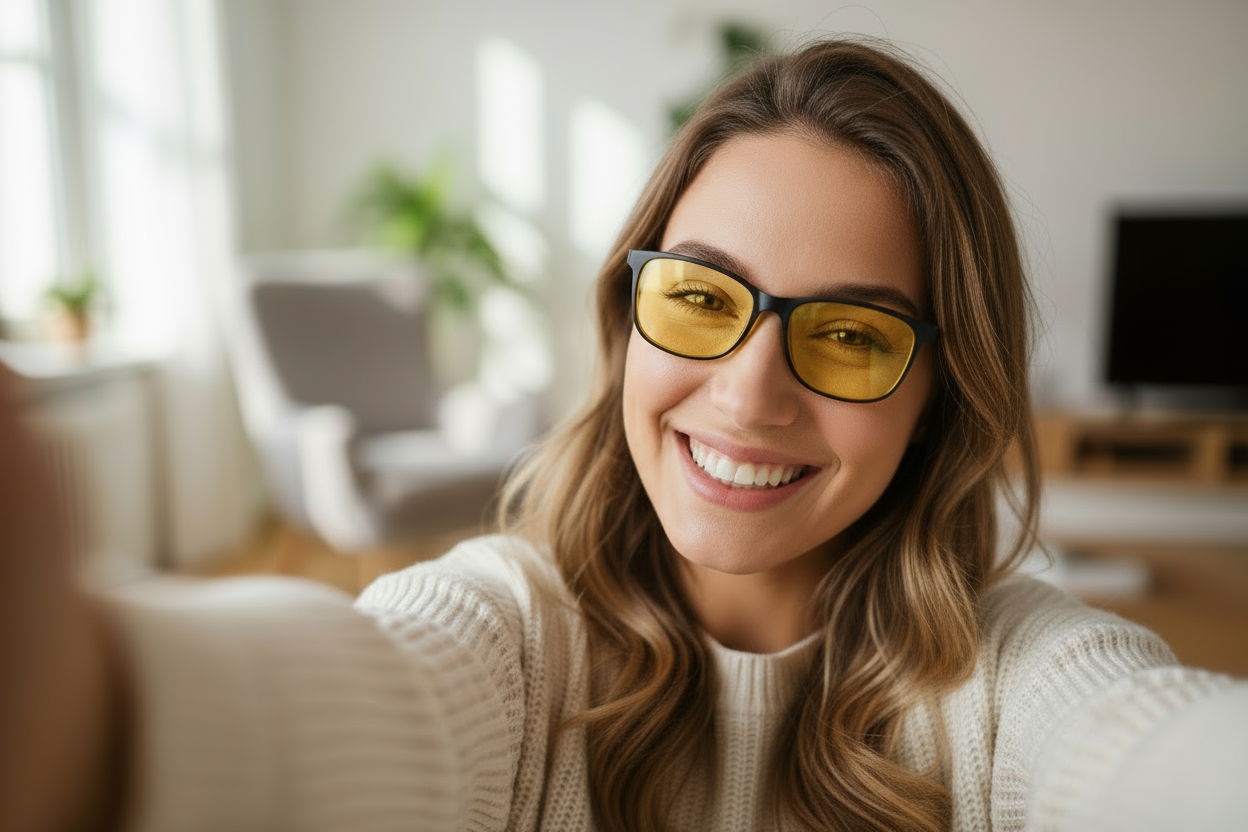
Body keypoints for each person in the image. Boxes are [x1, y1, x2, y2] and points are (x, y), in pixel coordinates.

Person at [2, 36, 1246, 832]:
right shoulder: (514, 633)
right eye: (701, 298)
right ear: (627, 320)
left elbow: (1144, 756)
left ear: (939, 402)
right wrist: (92, 700)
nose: (753, 395)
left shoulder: (1009, 678)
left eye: (853, 336)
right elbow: (336, 706)